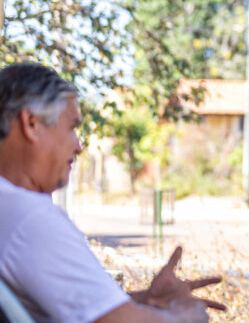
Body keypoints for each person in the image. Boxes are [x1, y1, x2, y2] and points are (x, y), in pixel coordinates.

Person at [0, 62, 225, 323]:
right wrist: (185, 315)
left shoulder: (11, 213)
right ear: (31, 123)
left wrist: (147, 300)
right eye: (71, 128)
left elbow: (93, 313)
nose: (79, 147)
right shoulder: (30, 219)